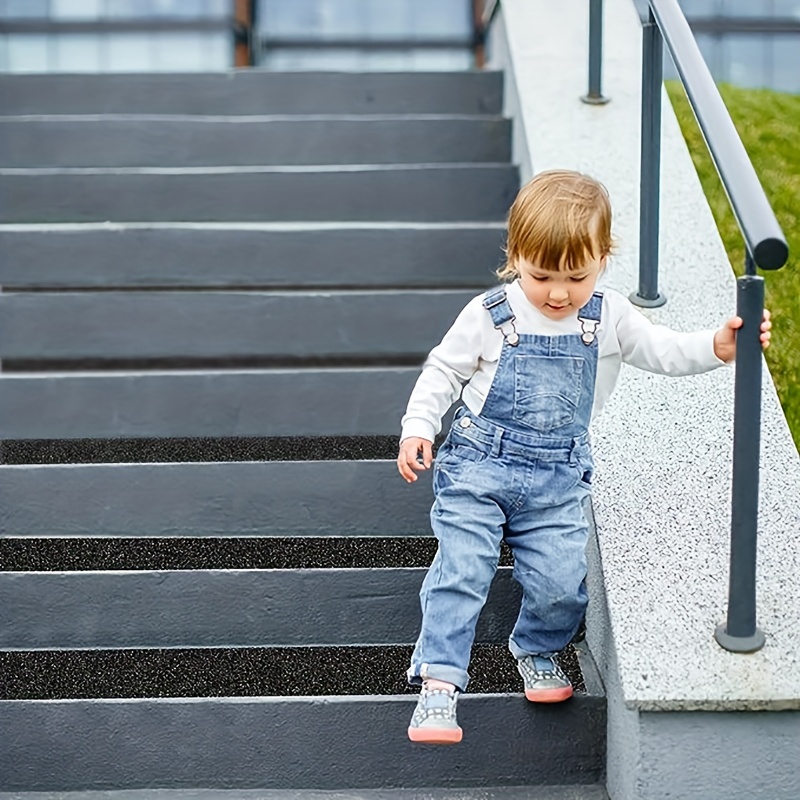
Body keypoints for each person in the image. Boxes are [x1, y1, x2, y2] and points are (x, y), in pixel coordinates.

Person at [397, 169, 772, 745]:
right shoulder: (490, 313)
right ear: (514, 256)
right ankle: (439, 687)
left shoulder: (610, 315)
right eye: (539, 275)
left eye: (576, 276)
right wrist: (419, 426)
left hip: (556, 474)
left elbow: (663, 349)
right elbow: (443, 370)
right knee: (463, 568)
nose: (555, 293)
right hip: (478, 463)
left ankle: (538, 652)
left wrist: (716, 346)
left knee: (561, 581)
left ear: (603, 258)